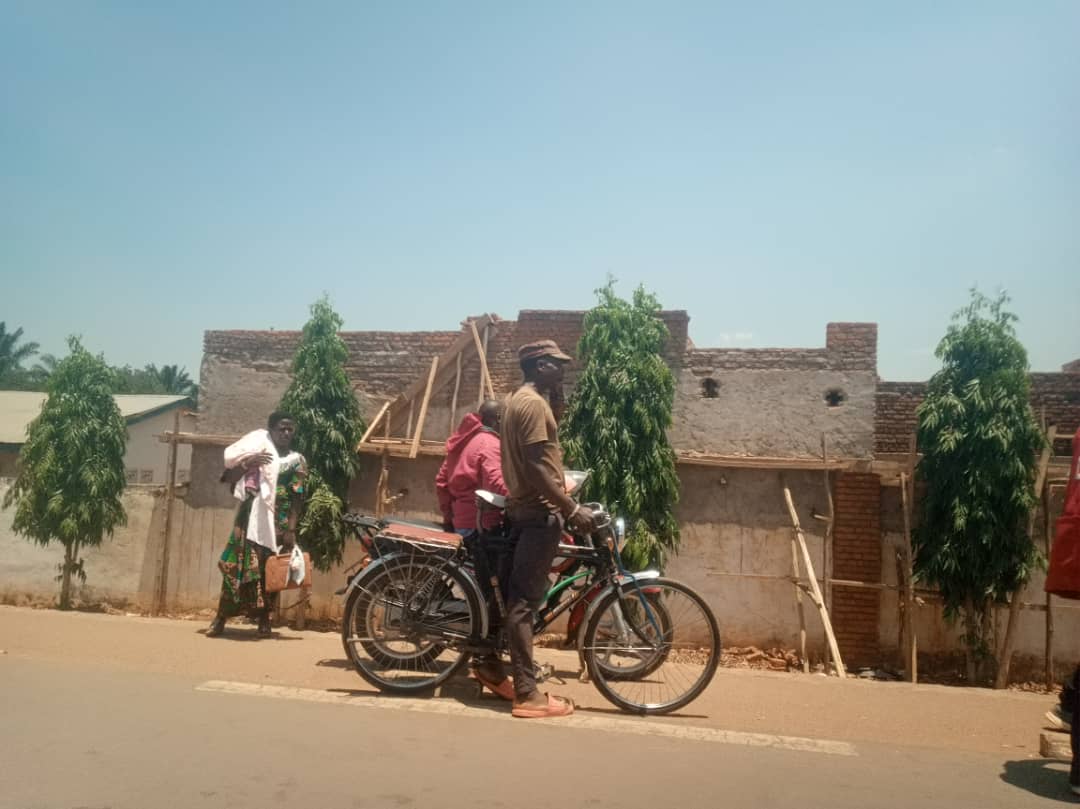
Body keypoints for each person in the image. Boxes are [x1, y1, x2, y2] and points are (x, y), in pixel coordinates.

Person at [479, 339, 595, 718]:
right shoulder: (530, 405)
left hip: (525, 510)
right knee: (523, 605)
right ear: (540, 365)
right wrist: (570, 507)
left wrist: (556, 397)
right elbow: (537, 467)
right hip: (539, 514)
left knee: (511, 601)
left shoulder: (521, 400)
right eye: (557, 364)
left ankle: (490, 666)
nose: (563, 369)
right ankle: (527, 695)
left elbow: (543, 450)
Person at [207, 412, 307, 638]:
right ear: (270, 430)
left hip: (278, 523)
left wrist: (291, 528)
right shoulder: (257, 452)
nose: (286, 433)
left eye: (290, 429)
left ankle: (264, 620)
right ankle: (220, 618)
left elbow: (298, 497)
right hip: (248, 520)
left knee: (270, 572)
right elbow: (229, 478)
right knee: (236, 567)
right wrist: (247, 464)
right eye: (281, 428)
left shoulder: (297, 461)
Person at [435, 400, 507, 535]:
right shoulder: (491, 445)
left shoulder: (463, 442)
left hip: (461, 523)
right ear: (499, 418)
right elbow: (497, 483)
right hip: (481, 526)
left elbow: (441, 482)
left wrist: (448, 518)